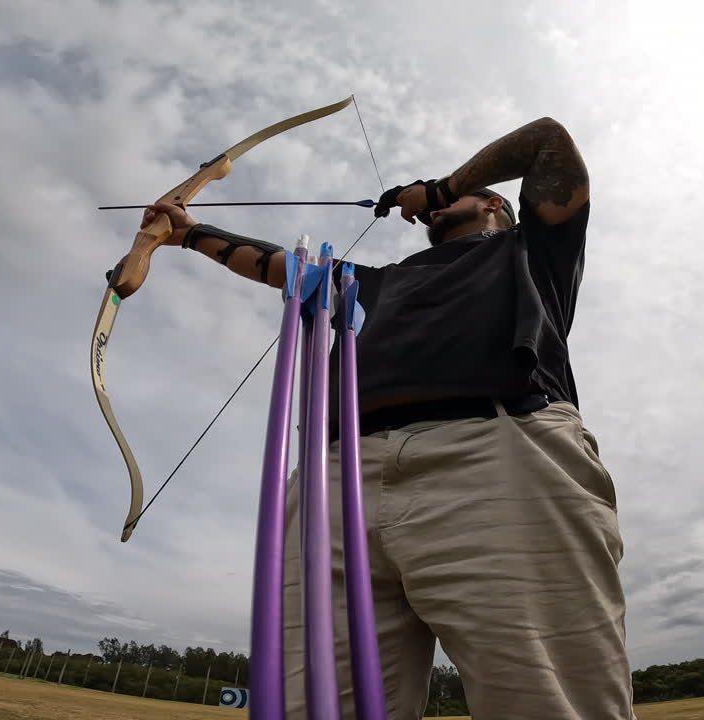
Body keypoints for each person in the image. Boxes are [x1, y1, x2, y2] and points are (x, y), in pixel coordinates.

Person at [143, 116, 635, 719]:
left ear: (496, 205)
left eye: (466, 197)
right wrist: (188, 232)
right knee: (311, 706)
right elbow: (281, 269)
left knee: (548, 702)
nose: (436, 213)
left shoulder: (533, 249)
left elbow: (548, 142)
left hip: (500, 451)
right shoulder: (373, 284)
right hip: (338, 475)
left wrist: (442, 186)